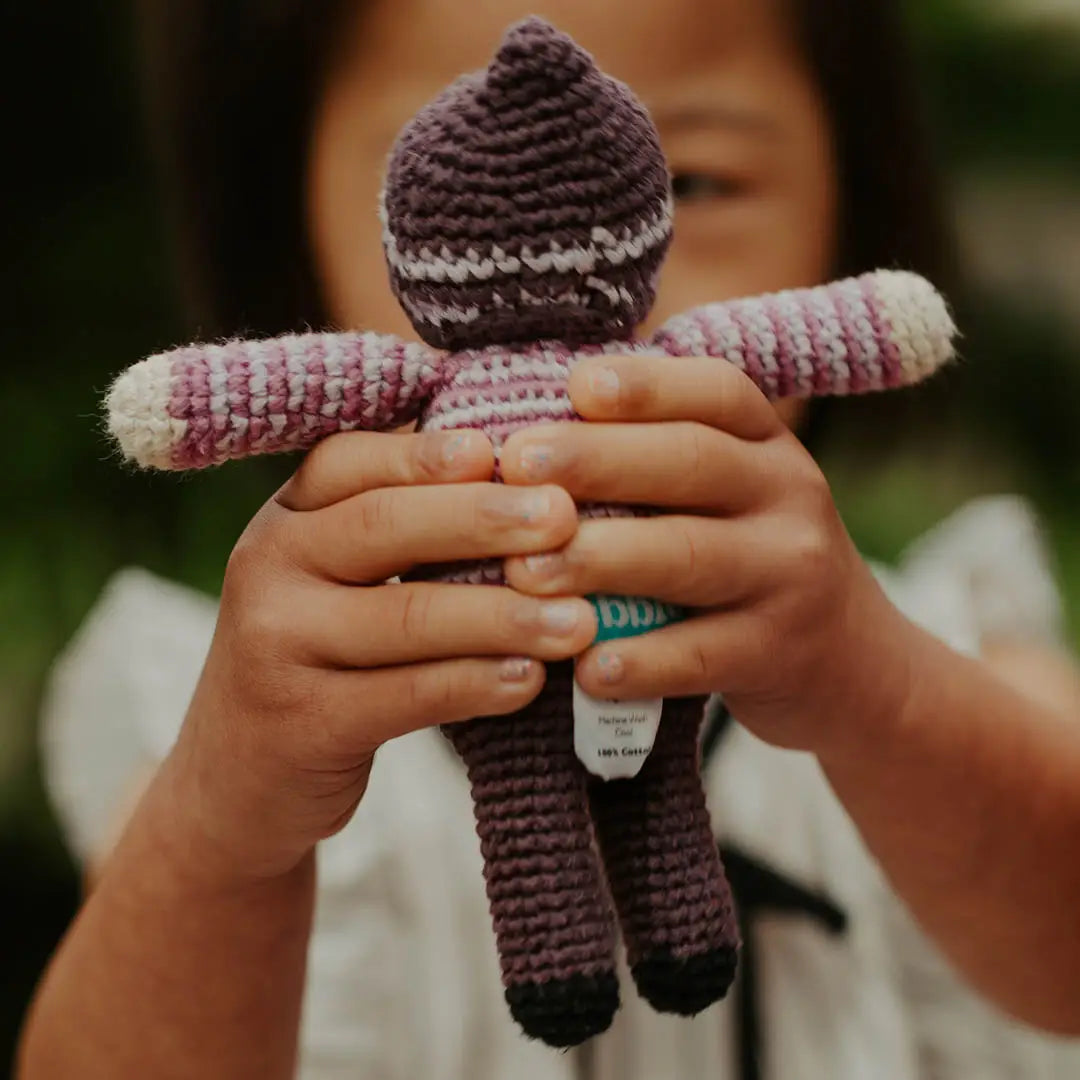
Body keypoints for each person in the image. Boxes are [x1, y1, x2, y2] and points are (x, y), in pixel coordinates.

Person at [17, 0, 1080, 1078]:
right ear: (286, 234)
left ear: (858, 190)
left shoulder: (946, 637)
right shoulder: (226, 709)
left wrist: (877, 689)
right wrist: (228, 826)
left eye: (694, 183)